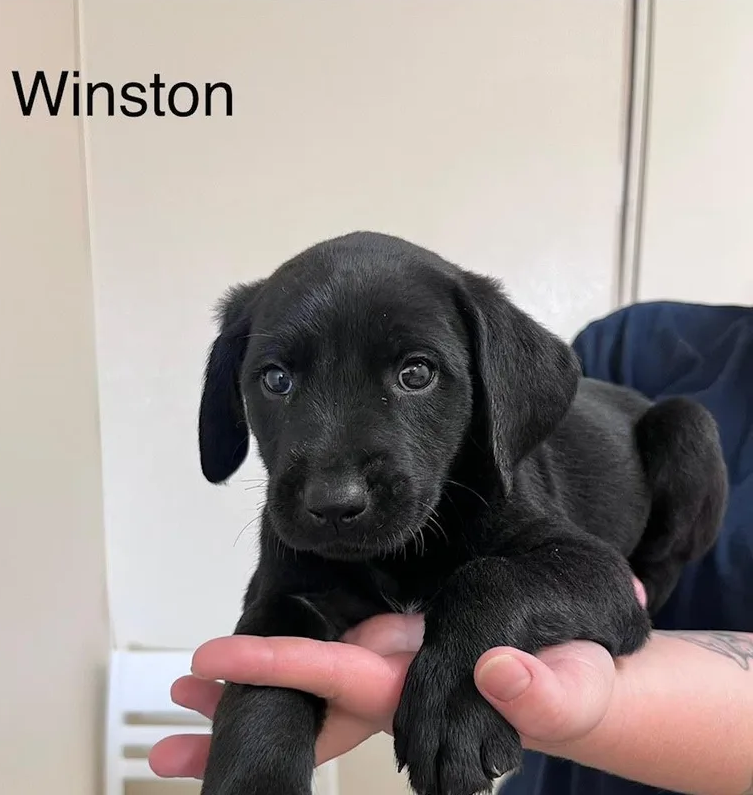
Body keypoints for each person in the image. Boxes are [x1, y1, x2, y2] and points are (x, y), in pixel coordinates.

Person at [150, 301, 753, 795]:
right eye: (278, 379)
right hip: (556, 776)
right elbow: (283, 625)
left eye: (415, 374)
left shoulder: (492, 491)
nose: (332, 488)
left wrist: (485, 609)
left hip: (635, 544)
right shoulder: (635, 339)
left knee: (686, 432)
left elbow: (604, 585)